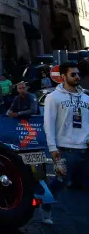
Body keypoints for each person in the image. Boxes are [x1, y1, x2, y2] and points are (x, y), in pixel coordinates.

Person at [41, 62, 89, 225]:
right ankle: (46, 206)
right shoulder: (53, 98)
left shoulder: (86, 98)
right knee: (59, 181)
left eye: (78, 74)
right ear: (63, 77)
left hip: (85, 149)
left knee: (83, 183)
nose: (77, 77)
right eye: (73, 74)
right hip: (64, 150)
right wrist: (52, 147)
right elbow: (48, 124)